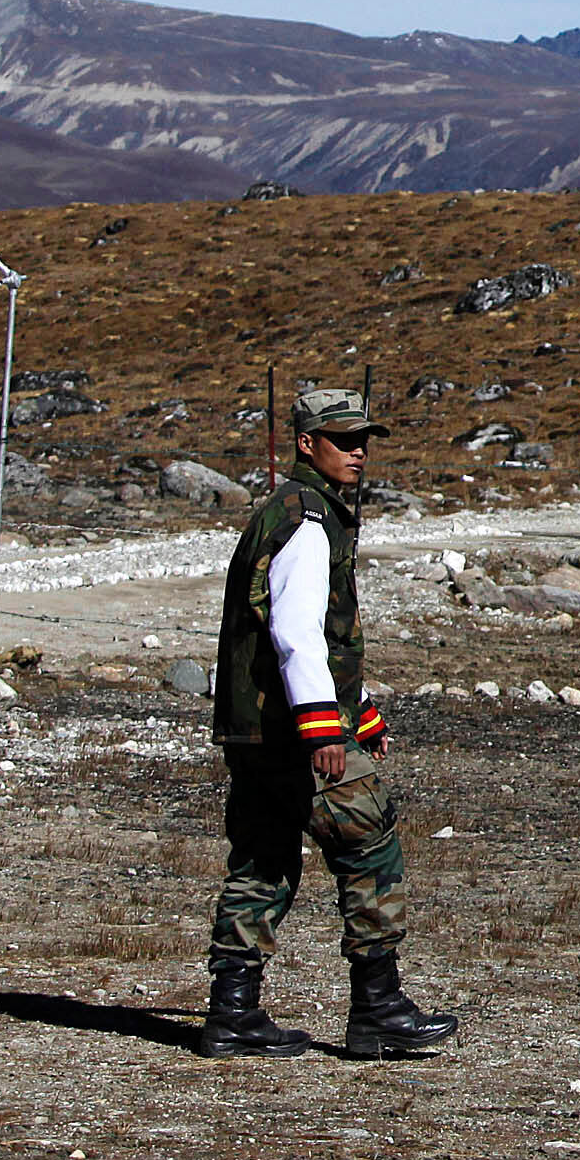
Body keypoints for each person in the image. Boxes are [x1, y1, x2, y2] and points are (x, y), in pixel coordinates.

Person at [195, 388, 458, 1059]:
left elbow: (318, 637)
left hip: (254, 729)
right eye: (344, 439)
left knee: (263, 857)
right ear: (308, 445)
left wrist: (360, 710)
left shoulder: (287, 512)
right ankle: (378, 1004)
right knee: (368, 837)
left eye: (364, 437)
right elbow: (296, 632)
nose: (359, 450)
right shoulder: (309, 520)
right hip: (292, 732)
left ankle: (232, 1011)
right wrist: (325, 730)